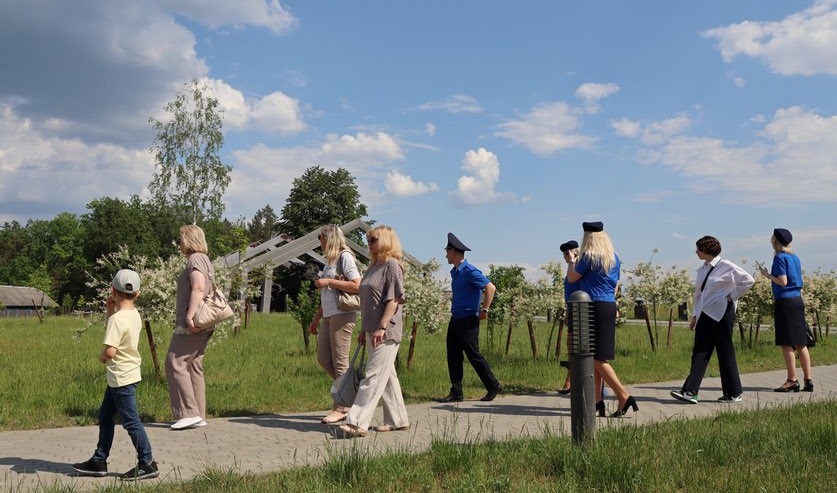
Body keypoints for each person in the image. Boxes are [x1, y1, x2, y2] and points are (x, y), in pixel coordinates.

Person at [72, 269, 159, 481]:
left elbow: (111, 350)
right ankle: (99, 460)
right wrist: (111, 310)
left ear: (113, 290)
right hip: (125, 375)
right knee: (105, 416)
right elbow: (120, 331)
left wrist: (103, 356)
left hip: (121, 378)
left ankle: (147, 462)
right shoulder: (134, 315)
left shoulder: (117, 320)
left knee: (131, 421)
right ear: (138, 294)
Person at [339, 225, 409, 437]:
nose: (369, 244)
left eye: (374, 240)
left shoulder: (392, 265)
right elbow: (369, 302)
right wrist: (364, 329)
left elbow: (394, 299)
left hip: (386, 331)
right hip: (372, 330)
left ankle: (356, 422)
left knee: (373, 375)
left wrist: (382, 326)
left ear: (386, 240)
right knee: (386, 376)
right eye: (368, 240)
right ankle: (397, 420)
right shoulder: (372, 267)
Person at [671, 235, 754, 405]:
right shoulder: (702, 269)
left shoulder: (726, 266)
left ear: (707, 250)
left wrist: (732, 296)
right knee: (699, 351)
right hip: (705, 314)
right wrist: (695, 315)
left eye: (698, 249)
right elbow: (699, 295)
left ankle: (733, 393)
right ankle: (690, 392)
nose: (696, 252)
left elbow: (748, 280)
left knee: (725, 351)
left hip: (722, 313)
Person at [566, 221, 635, 417]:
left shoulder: (588, 256)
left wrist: (571, 261)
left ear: (587, 237)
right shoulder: (614, 257)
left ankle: (623, 396)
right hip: (609, 305)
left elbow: (572, 278)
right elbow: (615, 286)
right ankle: (597, 402)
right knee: (598, 356)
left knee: (593, 356)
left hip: (591, 306)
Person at [435, 232, 503, 403]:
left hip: (468, 320)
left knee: (473, 354)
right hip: (456, 318)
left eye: (447, 252)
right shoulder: (455, 272)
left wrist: (485, 309)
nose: (446, 255)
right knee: (453, 355)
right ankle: (456, 392)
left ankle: (493, 385)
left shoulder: (470, 271)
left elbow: (490, 287)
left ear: (454, 252)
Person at [309, 225, 362, 423]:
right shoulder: (330, 261)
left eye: (320, 237)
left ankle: (342, 407)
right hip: (329, 315)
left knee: (340, 361)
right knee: (324, 358)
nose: (319, 241)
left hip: (343, 314)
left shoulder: (344, 257)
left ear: (328, 238)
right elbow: (327, 295)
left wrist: (329, 282)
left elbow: (357, 285)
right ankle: (349, 391)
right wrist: (317, 318)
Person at [165, 224, 216, 430]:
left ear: (189, 240)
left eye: (181, 239)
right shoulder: (205, 259)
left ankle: (188, 413)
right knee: (194, 365)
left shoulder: (195, 259)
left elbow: (198, 286)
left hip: (193, 321)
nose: (179, 243)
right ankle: (198, 414)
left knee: (175, 363)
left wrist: (189, 315)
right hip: (204, 321)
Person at [758, 228, 814, 393]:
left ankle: (791, 380)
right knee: (801, 342)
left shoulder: (779, 258)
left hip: (785, 301)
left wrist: (767, 275)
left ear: (775, 241)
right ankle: (808, 380)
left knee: (787, 342)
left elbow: (783, 281)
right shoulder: (795, 257)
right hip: (797, 300)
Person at [558, 240, 580, 394]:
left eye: (567, 253)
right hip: (571, 308)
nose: (565, 256)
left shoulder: (579, 268)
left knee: (575, 346)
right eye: (564, 254)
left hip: (580, 309)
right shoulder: (570, 269)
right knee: (571, 345)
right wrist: (567, 311)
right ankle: (571, 380)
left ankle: (570, 381)